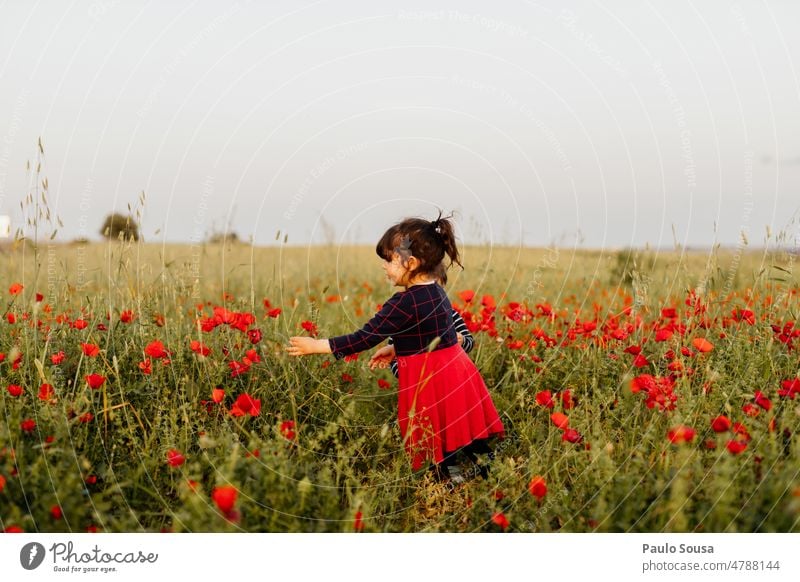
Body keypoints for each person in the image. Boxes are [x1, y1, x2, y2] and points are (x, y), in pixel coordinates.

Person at [287, 212, 504, 484]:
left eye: (389, 260)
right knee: (457, 426)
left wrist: (315, 345)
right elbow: (437, 333)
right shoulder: (437, 290)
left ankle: (447, 485)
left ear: (410, 263)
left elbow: (363, 338)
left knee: (433, 434)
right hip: (455, 370)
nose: (384, 267)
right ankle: (485, 470)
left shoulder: (402, 303)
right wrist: (396, 349)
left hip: (430, 379)